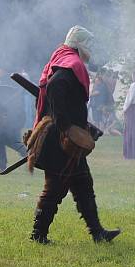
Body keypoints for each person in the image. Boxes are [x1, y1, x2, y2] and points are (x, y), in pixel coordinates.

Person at [27, 25, 120, 244]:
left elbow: (67, 102)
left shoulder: (63, 59)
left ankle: (98, 232)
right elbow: (55, 87)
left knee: (83, 184)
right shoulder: (71, 64)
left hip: (64, 138)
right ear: (81, 44)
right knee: (54, 189)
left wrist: (83, 127)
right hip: (61, 141)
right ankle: (37, 235)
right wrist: (67, 127)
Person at [0, 82, 27, 171]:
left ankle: (28, 154)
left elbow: (17, 116)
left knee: (10, 142)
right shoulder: (5, 100)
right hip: (5, 126)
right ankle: (2, 163)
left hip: (10, 125)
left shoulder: (14, 102)